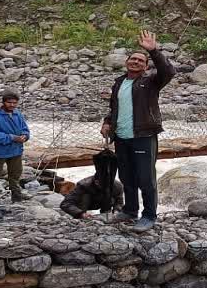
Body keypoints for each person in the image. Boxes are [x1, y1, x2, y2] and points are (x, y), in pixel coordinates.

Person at [100, 30, 176, 231]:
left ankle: (149, 215)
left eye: (140, 60)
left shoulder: (151, 82)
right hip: (122, 137)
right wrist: (107, 122)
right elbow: (114, 108)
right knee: (127, 177)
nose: (135, 62)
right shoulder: (119, 82)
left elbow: (169, 72)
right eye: (132, 59)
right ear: (126, 62)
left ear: (146, 66)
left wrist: (153, 51)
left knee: (146, 179)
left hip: (143, 136)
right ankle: (130, 210)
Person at [0, 89, 30, 203]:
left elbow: (25, 128)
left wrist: (25, 136)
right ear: (4, 102)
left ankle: (16, 196)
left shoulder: (17, 114)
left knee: (15, 175)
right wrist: (12, 137)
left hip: (16, 150)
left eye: (14, 103)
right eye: (9, 102)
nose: (12, 105)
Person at [60, 149, 124, 219]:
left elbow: (119, 202)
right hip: (88, 203)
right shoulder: (83, 185)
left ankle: (106, 213)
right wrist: (80, 213)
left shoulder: (117, 185)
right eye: (102, 184)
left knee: (110, 194)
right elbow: (65, 204)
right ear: (96, 182)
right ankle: (82, 218)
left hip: (104, 202)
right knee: (85, 197)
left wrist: (117, 211)